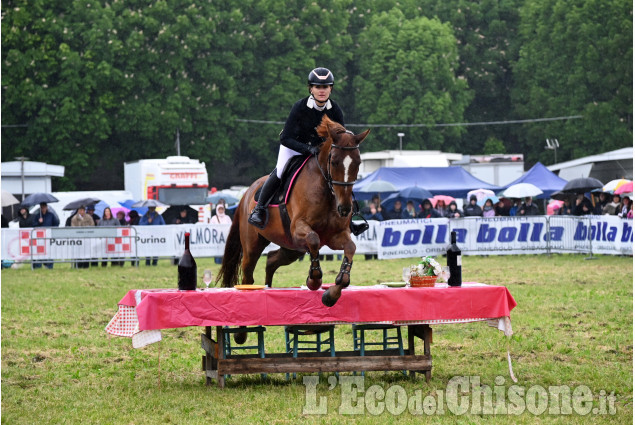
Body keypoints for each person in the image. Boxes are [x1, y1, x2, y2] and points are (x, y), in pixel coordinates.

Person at [247, 67, 368, 236]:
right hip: (293, 147)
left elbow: (340, 140)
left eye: (325, 87)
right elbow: (286, 138)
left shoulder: (335, 110)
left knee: (339, 174)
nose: (321, 90)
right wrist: (307, 149)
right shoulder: (300, 107)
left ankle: (350, 219)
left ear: (330, 89)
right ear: (310, 88)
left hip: (320, 153)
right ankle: (259, 209)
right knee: (280, 171)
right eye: (317, 87)